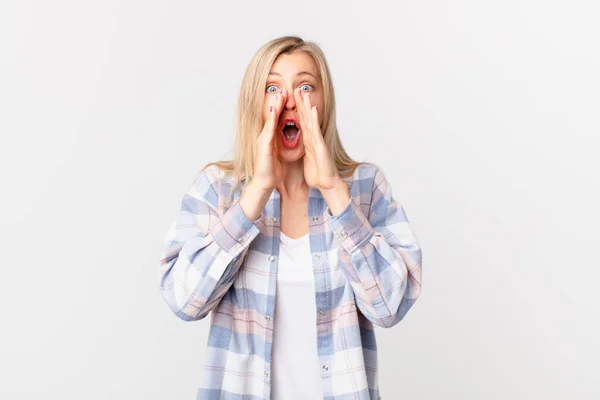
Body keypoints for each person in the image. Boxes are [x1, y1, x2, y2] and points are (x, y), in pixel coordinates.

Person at [158, 36, 423, 400]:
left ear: (323, 102)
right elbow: (184, 300)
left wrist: (333, 189)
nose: (288, 102)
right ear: (255, 101)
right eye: (272, 87)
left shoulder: (364, 188)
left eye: (304, 86)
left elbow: (390, 306)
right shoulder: (218, 189)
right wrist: (257, 191)